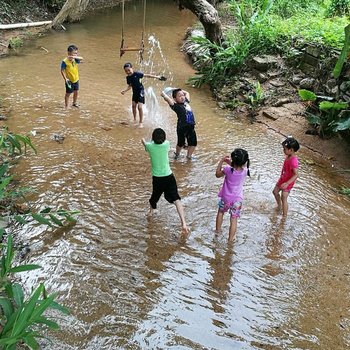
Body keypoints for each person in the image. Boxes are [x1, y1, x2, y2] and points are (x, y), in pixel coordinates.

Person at [142, 128, 189, 235]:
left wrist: (143, 140)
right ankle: (184, 224)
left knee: (154, 197)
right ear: (164, 138)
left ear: (153, 138)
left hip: (158, 178)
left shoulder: (150, 146)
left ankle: (151, 212)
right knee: (176, 199)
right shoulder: (167, 144)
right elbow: (161, 142)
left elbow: (145, 144)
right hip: (169, 176)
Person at [215, 149, 250, 241]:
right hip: (237, 200)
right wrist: (231, 163)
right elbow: (238, 168)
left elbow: (217, 174)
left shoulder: (227, 169)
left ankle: (217, 233)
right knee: (234, 219)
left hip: (225, 198)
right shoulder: (245, 171)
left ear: (233, 160)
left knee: (220, 213)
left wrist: (221, 161)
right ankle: (230, 240)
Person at [121, 62, 166, 128]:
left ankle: (141, 122)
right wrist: (125, 91)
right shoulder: (128, 78)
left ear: (132, 68)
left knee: (139, 107)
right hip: (135, 93)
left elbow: (147, 75)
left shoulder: (137, 74)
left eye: (129, 70)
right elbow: (130, 86)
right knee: (133, 106)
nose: (128, 72)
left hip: (140, 92)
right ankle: (134, 119)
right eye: (126, 71)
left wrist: (157, 77)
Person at [161, 88, 197, 160]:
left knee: (193, 143)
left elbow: (187, 92)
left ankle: (189, 156)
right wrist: (164, 94)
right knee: (180, 143)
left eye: (182, 95)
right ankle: (177, 154)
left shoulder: (186, 102)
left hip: (191, 127)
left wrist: (176, 89)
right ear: (175, 99)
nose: (182, 97)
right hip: (181, 128)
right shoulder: (175, 106)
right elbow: (167, 99)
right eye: (179, 96)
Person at [272, 137, 299, 217]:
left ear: (291, 150)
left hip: (288, 181)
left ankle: (284, 216)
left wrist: (287, 183)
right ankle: (279, 206)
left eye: (284, 149)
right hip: (283, 178)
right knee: (275, 192)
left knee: (284, 197)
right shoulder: (288, 156)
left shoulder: (293, 161)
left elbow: (296, 174)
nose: (283, 150)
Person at [60, 44, 83, 108]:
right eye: (74, 53)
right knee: (68, 93)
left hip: (76, 79)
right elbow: (62, 70)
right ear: (69, 53)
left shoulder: (75, 59)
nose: (76, 54)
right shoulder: (64, 61)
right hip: (69, 80)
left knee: (76, 92)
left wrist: (74, 57)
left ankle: (74, 103)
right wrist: (65, 79)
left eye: (76, 53)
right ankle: (66, 106)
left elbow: (82, 58)